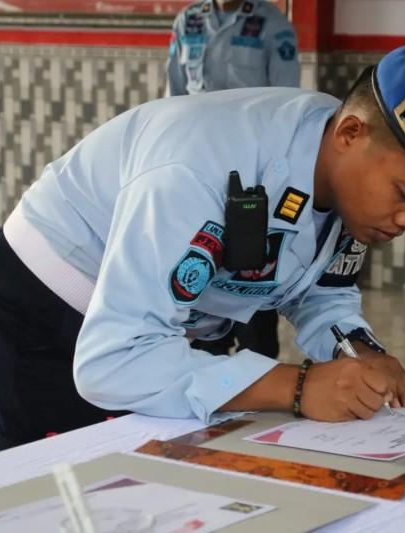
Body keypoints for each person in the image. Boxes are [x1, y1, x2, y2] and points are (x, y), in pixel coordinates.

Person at [0, 44, 405, 460]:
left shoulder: (341, 170)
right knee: (36, 496)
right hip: (43, 316)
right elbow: (113, 360)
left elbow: (320, 290)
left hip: (163, 332)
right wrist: (298, 386)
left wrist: (357, 350)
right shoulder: (196, 169)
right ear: (351, 133)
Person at [165, 0, 302, 358]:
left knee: (251, 270)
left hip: (252, 174)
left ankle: (258, 364)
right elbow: (172, 99)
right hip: (197, 170)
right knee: (200, 260)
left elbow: (288, 105)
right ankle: (207, 357)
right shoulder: (188, 21)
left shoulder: (272, 24)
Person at [165, 0, 300, 96]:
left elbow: (286, 96)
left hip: (249, 126)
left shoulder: (273, 22)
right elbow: (174, 91)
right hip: (197, 124)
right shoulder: (188, 19)